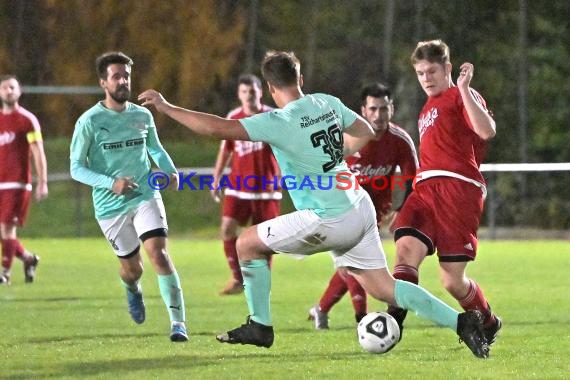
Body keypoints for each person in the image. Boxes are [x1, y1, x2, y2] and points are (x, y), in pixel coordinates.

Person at [139, 50, 490, 358]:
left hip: (328, 217)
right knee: (385, 288)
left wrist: (166, 107)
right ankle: (462, 323)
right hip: (359, 207)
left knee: (246, 244)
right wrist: (337, 153)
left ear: (273, 90)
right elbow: (367, 130)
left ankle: (260, 326)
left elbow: (216, 129)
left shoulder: (279, 120)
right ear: (301, 79)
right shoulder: (326, 101)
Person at [387, 39, 502, 346]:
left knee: (452, 280)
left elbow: (487, 130)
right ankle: (392, 323)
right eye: (421, 72)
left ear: (447, 68)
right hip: (425, 189)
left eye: (432, 71)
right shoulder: (427, 108)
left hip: (457, 189)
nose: (426, 78)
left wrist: (464, 89)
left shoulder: (460, 95)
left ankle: (488, 322)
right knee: (405, 250)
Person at [69, 52, 188, 342]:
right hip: (111, 206)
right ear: (103, 83)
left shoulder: (142, 114)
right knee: (132, 270)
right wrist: (111, 184)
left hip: (146, 194)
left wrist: (171, 171)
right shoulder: (89, 122)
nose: (123, 81)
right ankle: (132, 289)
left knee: (159, 254)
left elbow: (156, 149)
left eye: (127, 76)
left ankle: (178, 324)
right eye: (116, 77)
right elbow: (75, 168)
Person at [308, 82, 418, 329]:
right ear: (363, 110)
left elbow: (413, 179)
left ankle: (321, 309)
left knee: (353, 266)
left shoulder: (399, 140)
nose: (379, 115)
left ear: (392, 108)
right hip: (341, 209)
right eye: (373, 109)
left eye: (384, 109)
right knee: (354, 264)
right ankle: (362, 319)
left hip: (374, 214)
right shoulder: (347, 138)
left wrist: (401, 209)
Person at [211, 74, 281, 296]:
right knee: (227, 228)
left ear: (261, 92)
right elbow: (226, 150)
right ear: (239, 95)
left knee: (266, 240)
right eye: (244, 92)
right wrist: (216, 177)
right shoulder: (234, 117)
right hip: (238, 186)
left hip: (266, 189)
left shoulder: (273, 117)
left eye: (252, 91)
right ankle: (237, 278)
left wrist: (285, 176)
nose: (249, 95)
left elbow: (285, 148)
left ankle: (263, 283)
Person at [0, 75, 47, 285]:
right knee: (4, 230)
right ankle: (28, 259)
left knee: (7, 228)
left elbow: (38, 152)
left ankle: (5, 273)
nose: (8, 91)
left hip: (17, 183)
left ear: (19, 91)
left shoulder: (27, 120)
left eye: (12, 87)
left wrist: (42, 181)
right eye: (4, 88)